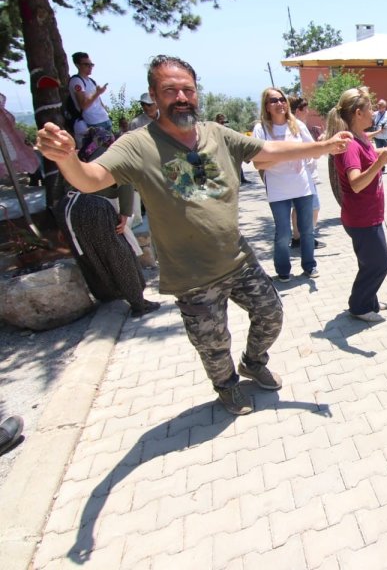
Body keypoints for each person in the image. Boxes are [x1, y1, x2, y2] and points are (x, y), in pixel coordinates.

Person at [36, 54, 351, 416]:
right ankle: (227, 386)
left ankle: (252, 361)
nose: (181, 97)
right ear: (154, 95)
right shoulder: (137, 144)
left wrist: (322, 147)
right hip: (191, 274)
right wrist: (66, 159)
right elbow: (91, 178)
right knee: (213, 344)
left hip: (237, 258)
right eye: (170, 90)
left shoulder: (217, 134)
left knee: (271, 314)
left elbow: (267, 149)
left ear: (197, 94)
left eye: (188, 89)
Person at [325, 87, 387, 322]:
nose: (374, 112)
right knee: (380, 263)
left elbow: (374, 154)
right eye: (370, 108)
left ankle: (370, 300)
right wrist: (380, 164)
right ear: (357, 113)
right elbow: (355, 183)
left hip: (369, 215)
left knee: (371, 262)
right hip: (361, 218)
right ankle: (359, 305)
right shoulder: (350, 145)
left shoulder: (360, 137)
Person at [56, 126, 160, 317]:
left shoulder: (81, 155)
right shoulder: (111, 153)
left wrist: (60, 222)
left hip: (67, 208)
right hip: (94, 207)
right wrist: (125, 213)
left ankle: (107, 295)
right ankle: (138, 303)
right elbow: (125, 182)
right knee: (118, 253)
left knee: (87, 253)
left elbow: (61, 185)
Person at [252, 87, 320, 282]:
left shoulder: (296, 125)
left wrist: (279, 155)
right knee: (283, 233)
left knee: (307, 230)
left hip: (302, 186)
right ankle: (283, 270)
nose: (279, 103)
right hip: (278, 190)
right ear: (266, 105)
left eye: (282, 99)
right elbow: (258, 162)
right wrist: (290, 153)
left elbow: (312, 151)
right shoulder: (261, 129)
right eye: (274, 100)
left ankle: (309, 265)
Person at [289, 96, 325, 251]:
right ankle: (307, 237)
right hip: (306, 174)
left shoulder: (285, 125)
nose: (308, 112)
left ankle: (297, 237)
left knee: (296, 208)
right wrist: (322, 142)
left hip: (292, 175)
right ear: (298, 111)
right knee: (314, 207)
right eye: (306, 109)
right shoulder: (299, 125)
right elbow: (314, 152)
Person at [68, 52, 112, 131]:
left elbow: (98, 101)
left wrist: (106, 112)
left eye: (91, 65)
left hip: (104, 118)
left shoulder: (91, 81)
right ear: (77, 65)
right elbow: (83, 105)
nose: (90, 67)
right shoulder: (77, 81)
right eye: (86, 64)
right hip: (94, 122)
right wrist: (97, 93)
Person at [367, 99, 387, 173]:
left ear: (384, 106)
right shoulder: (375, 114)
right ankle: (382, 168)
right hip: (378, 138)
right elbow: (370, 121)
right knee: (380, 153)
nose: (378, 106)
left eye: (380, 105)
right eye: (378, 105)